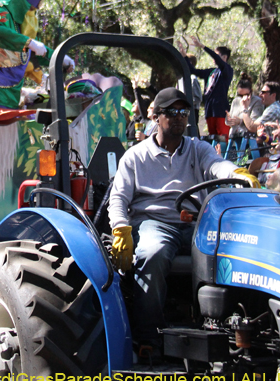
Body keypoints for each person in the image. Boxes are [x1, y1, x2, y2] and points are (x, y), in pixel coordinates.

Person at [107, 88, 257, 347]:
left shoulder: (198, 149)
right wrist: (121, 229)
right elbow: (118, 198)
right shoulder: (135, 156)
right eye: (173, 112)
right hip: (154, 223)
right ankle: (149, 337)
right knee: (153, 254)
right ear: (156, 116)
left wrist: (238, 174)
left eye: (184, 113)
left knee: (238, 250)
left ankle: (229, 330)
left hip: (194, 222)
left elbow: (217, 165)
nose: (179, 118)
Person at [0, 0, 73, 108]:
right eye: (33, 8)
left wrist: (59, 57)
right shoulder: (0, 11)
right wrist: (28, 43)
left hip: (11, 99)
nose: (34, 12)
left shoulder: (19, 24)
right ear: (25, 5)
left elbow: (35, 50)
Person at [186, 38, 233, 140]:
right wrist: (184, 56)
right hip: (209, 110)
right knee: (213, 138)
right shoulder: (211, 72)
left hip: (220, 110)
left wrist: (203, 46)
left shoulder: (227, 70)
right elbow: (193, 71)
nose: (213, 58)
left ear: (224, 57)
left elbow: (218, 59)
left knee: (222, 138)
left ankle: (223, 155)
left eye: (217, 55)